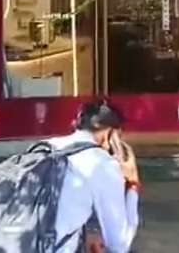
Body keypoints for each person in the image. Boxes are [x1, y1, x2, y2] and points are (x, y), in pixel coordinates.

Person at [48, 100, 140, 253]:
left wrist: (86, 234)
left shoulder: (45, 146)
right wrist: (133, 184)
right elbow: (120, 244)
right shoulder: (103, 163)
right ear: (110, 135)